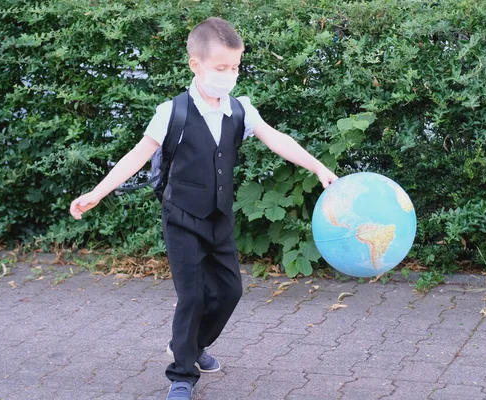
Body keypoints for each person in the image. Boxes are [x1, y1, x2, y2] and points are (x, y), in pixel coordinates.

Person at [69, 17, 338, 400]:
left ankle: (192, 345)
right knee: (192, 296)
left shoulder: (240, 110)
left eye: (236, 67)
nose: (230, 75)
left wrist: (317, 166)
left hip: (219, 219)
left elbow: (278, 139)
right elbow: (137, 155)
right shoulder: (172, 112)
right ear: (195, 65)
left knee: (230, 292)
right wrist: (98, 192)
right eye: (221, 68)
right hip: (181, 218)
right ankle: (181, 373)